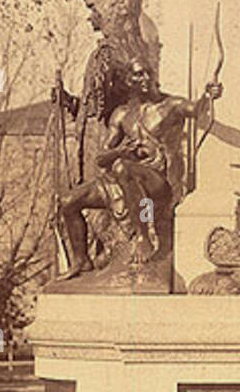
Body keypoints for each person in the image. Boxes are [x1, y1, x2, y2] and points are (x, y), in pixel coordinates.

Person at [58, 60, 221, 278]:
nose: (143, 78)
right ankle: (81, 261)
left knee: (124, 169)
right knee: (68, 202)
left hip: (158, 182)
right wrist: (121, 151)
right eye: (137, 75)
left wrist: (208, 96)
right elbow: (101, 158)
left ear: (154, 76)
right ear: (129, 81)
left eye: (147, 73)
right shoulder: (122, 114)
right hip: (123, 177)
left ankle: (143, 236)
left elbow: (196, 109)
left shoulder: (171, 106)